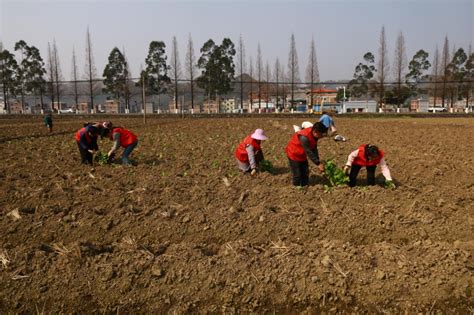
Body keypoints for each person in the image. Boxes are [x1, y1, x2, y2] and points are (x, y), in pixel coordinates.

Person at [285, 122, 328, 186]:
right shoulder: (304, 137)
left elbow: (314, 148)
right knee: (297, 174)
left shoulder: (315, 135)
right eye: (321, 134)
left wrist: (318, 161)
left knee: (305, 172)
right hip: (293, 153)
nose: (321, 136)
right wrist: (318, 163)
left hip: (302, 154)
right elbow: (308, 151)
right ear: (315, 132)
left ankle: (305, 185)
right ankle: (296, 188)